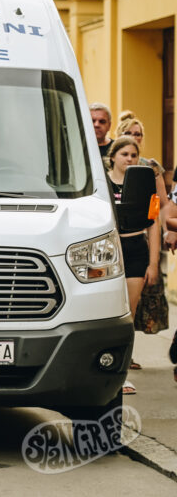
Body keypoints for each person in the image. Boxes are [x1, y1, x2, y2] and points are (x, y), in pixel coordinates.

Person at [106, 136, 158, 396]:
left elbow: (154, 222)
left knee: (129, 313)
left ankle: (123, 374)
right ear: (113, 156)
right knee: (107, 312)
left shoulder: (144, 184)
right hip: (109, 249)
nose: (129, 159)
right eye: (124, 154)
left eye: (134, 155)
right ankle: (106, 369)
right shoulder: (101, 182)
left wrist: (153, 263)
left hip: (136, 248)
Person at [116, 113, 170, 339]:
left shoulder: (150, 167)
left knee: (137, 302)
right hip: (116, 243)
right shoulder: (107, 169)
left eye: (137, 134)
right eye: (128, 133)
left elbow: (160, 207)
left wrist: (167, 233)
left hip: (141, 239)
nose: (134, 137)